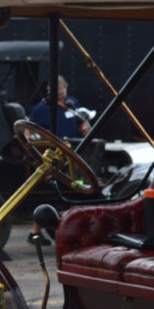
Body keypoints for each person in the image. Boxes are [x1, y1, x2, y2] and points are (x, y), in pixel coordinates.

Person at [27, 76, 90, 244]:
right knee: (49, 191)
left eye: (63, 94)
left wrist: (83, 127)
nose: (62, 98)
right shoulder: (42, 109)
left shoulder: (72, 103)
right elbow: (28, 130)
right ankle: (35, 232)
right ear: (50, 93)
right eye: (58, 96)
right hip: (54, 154)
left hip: (74, 151)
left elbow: (80, 123)